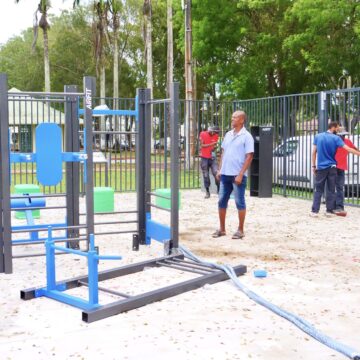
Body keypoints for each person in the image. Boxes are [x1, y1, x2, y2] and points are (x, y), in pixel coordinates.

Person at [212, 111, 254, 239]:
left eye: (235, 117)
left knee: (239, 202)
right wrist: (220, 169)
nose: (232, 119)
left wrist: (241, 174)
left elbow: (249, 156)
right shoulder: (228, 135)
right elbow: (223, 153)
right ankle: (222, 229)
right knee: (221, 201)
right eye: (232, 117)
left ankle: (240, 230)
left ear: (242, 120)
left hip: (237, 175)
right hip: (225, 174)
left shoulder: (247, 136)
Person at [310, 121, 360, 217]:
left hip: (321, 167)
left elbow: (314, 152)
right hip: (332, 167)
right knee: (331, 190)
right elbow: (349, 149)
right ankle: (329, 211)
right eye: (337, 128)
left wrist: (313, 166)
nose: (338, 130)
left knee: (318, 189)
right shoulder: (336, 138)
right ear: (333, 127)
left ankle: (314, 211)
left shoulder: (318, 136)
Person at [334, 126, 358, 216]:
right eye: (341, 135)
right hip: (333, 167)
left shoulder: (348, 142)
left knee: (340, 188)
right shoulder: (334, 141)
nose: (343, 137)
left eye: (344, 135)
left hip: (341, 168)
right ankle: (332, 206)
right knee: (332, 187)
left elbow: (355, 149)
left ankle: (339, 207)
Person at [199, 125, 220, 198]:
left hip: (212, 157)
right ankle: (207, 192)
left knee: (216, 173)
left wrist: (214, 147)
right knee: (206, 175)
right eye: (214, 132)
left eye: (216, 132)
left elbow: (214, 146)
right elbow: (202, 145)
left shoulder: (216, 136)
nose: (215, 133)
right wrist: (211, 144)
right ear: (210, 130)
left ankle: (219, 190)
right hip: (204, 157)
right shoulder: (203, 134)